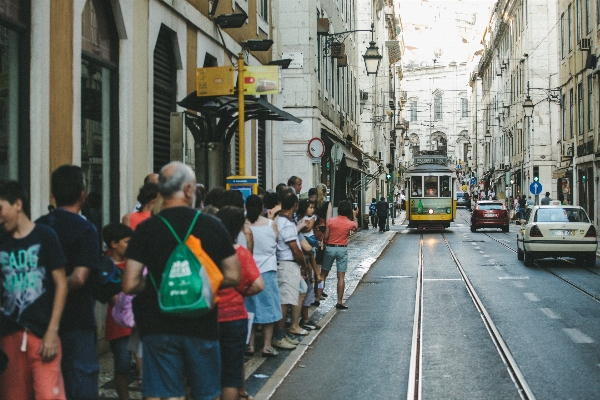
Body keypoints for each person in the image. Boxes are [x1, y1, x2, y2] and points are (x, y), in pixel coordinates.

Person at [122, 161, 241, 400]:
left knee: (163, 393)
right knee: (206, 394)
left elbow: (130, 283)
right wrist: (202, 284)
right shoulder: (211, 225)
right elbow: (234, 275)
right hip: (202, 325)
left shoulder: (146, 229)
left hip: (157, 325)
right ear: (188, 190)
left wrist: (163, 285)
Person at [36, 165, 101, 400]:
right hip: (78, 318)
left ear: (53, 194)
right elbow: (80, 277)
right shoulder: (86, 229)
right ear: (83, 194)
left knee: (46, 386)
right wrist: (61, 286)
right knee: (80, 384)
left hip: (41, 319)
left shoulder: (39, 226)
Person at [0, 180, 68, 400]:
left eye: (0, 209)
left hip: (41, 332)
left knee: (48, 394)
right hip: (9, 334)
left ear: (17, 204)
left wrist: (52, 330)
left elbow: (61, 284)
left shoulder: (45, 236)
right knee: (14, 395)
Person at [215, 206, 264, 400]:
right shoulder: (240, 253)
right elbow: (259, 285)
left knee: (209, 371)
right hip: (235, 316)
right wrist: (242, 291)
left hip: (209, 315)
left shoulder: (206, 251)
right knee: (232, 373)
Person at [245, 195, 283, 357]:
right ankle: (267, 345)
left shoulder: (243, 226)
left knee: (250, 309)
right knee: (269, 309)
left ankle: (250, 345)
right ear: (262, 208)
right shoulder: (271, 224)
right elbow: (276, 241)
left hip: (249, 272)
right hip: (268, 271)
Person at [101, 223, 134, 400]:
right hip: (118, 324)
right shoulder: (105, 265)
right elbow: (111, 296)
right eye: (126, 242)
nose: (130, 245)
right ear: (114, 244)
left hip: (138, 322)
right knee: (122, 363)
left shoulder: (133, 262)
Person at [273, 194, 308, 349]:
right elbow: (294, 248)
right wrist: (303, 263)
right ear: (294, 205)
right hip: (287, 264)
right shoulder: (285, 224)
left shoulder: (283, 221)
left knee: (293, 296)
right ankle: (279, 336)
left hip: (287, 264)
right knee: (285, 302)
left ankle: (284, 333)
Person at [320, 200, 358, 310]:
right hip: (342, 249)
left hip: (330, 248)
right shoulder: (349, 223)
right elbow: (355, 226)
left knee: (323, 275)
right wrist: (355, 216)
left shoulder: (331, 221)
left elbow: (326, 236)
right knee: (341, 277)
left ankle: (318, 296)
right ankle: (339, 301)